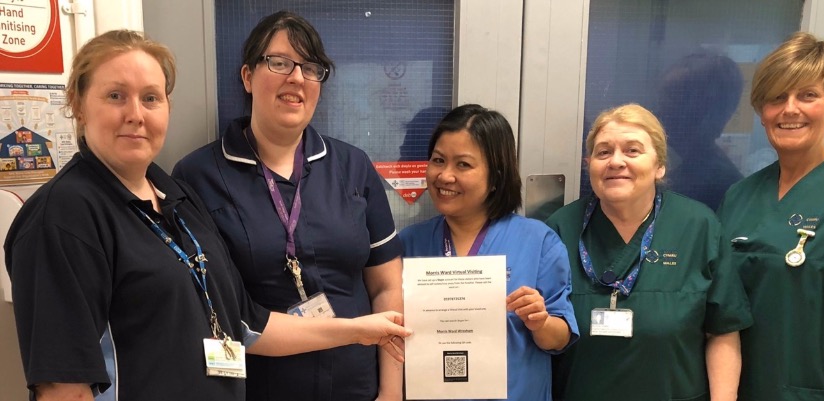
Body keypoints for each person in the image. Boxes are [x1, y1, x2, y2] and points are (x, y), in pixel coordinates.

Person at [3, 30, 411, 401]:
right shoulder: (62, 218)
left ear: (167, 107)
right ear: (77, 104)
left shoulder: (174, 197)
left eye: (151, 98)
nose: (136, 114)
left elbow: (246, 324)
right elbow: (64, 388)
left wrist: (358, 330)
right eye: (115, 96)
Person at [172, 11, 404, 401]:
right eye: (279, 63)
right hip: (258, 387)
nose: (297, 77)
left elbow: (386, 286)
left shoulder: (352, 166)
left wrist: (391, 391)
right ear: (247, 76)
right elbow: (207, 305)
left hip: (355, 385)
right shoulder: (198, 175)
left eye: (310, 68)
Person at [546, 103, 752, 401]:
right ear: (589, 164)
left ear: (659, 166)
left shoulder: (697, 226)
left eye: (632, 151)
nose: (616, 161)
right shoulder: (560, 229)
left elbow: (723, 330)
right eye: (604, 152)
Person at [718, 32, 824, 400]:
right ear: (761, 111)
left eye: (807, 95)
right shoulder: (739, 196)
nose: (790, 109)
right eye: (776, 97)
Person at [400, 104, 579, 400]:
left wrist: (541, 322)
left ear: (496, 177)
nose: (445, 176)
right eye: (438, 160)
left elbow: (560, 339)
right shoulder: (409, 243)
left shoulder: (538, 241)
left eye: (463, 165)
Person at [655, 51, 744, 210]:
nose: (658, 112)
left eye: (671, 101)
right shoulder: (677, 162)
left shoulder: (719, 184)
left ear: (703, 112)